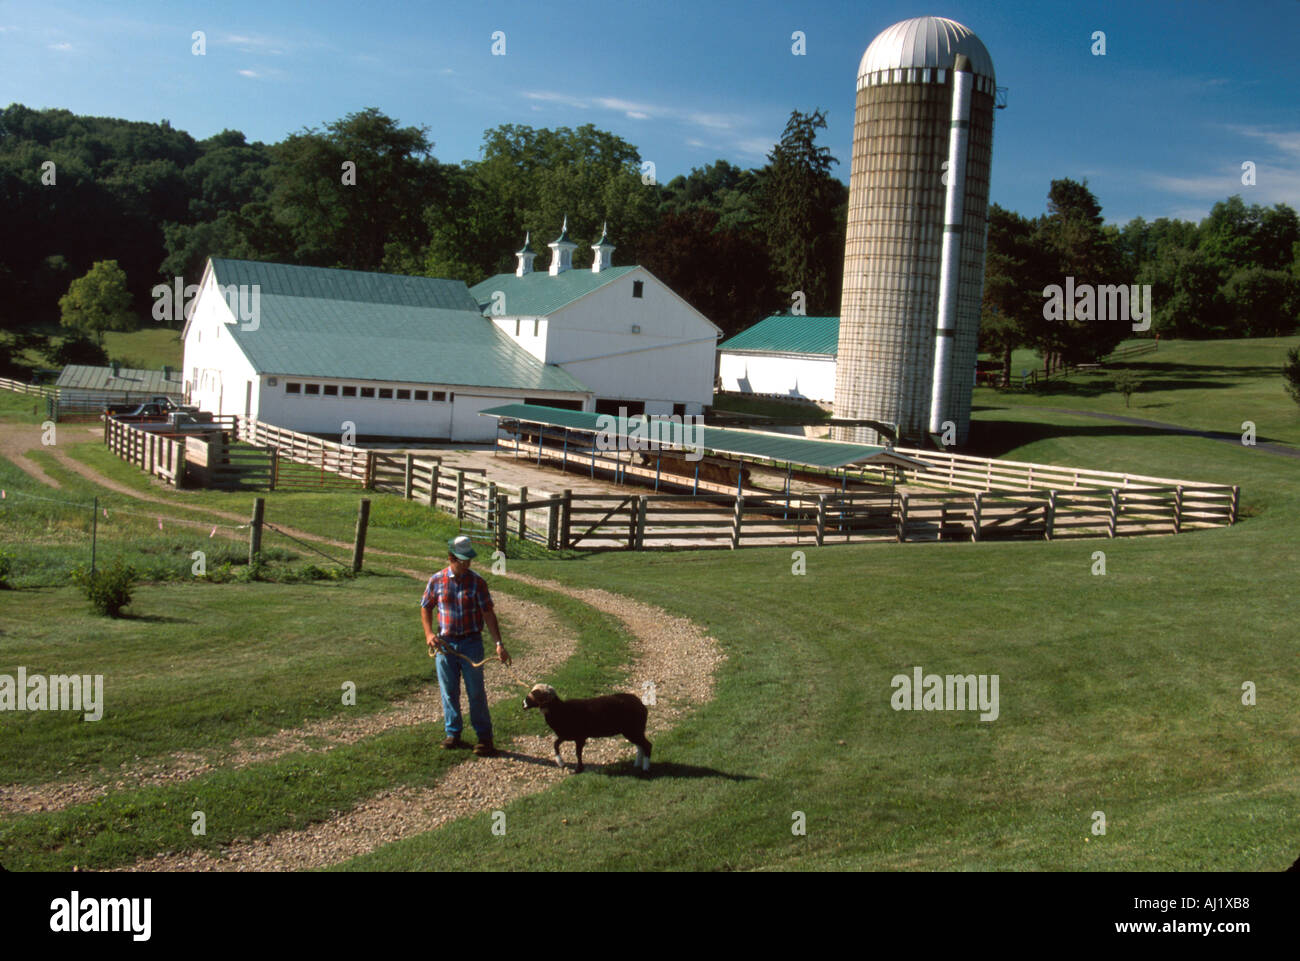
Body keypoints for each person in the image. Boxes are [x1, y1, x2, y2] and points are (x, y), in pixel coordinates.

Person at [420, 535, 511, 757]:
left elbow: (488, 613)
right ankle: (453, 733)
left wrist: (499, 643)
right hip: (446, 644)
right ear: (451, 558)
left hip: (471, 643)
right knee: (449, 691)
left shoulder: (477, 582)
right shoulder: (436, 580)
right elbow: (426, 606)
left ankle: (484, 738)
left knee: (476, 691)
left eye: (469, 559)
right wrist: (429, 633)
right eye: (463, 560)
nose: (467, 564)